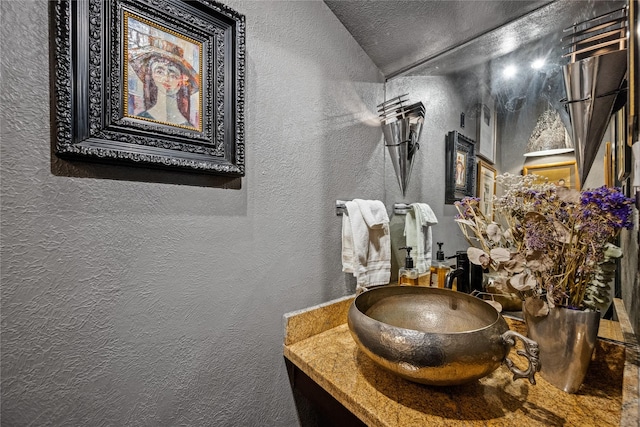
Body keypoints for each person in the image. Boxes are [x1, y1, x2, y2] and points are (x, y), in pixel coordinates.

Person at [128, 37, 200, 129]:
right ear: (151, 75)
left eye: (173, 73)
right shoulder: (141, 119)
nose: (166, 78)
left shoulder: (190, 128)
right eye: (159, 72)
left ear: (182, 80)